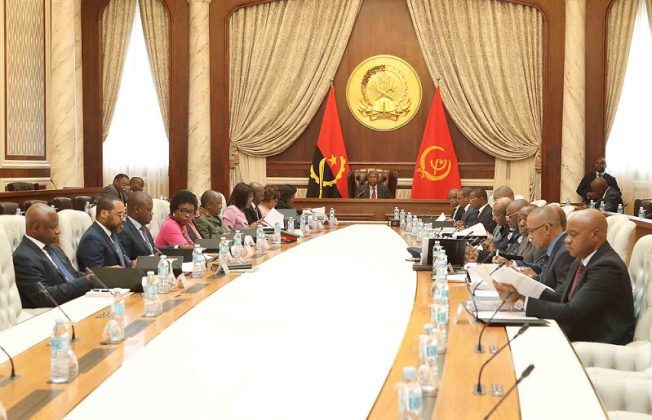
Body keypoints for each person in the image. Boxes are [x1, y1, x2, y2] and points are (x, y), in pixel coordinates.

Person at [494, 209, 635, 345]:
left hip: (598, 342)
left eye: (573, 235)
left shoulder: (607, 267)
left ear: (595, 235)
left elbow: (573, 312)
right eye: (567, 234)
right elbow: (559, 296)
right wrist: (519, 290)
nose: (566, 240)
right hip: (576, 330)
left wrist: (522, 302)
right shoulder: (581, 259)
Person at [13, 204, 92, 308]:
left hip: (75, 301)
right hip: (52, 310)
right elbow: (44, 296)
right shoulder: (23, 257)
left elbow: (73, 275)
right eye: (53, 227)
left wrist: (99, 276)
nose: (58, 231)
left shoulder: (54, 247)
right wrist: (85, 281)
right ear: (36, 228)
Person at [77, 196, 131, 271]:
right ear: (104, 214)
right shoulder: (92, 239)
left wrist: (134, 264)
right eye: (120, 215)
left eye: (124, 215)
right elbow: (95, 273)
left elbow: (123, 261)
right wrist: (115, 271)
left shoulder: (111, 232)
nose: (124, 219)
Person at [116, 191, 157, 260]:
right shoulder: (123, 231)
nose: (152, 213)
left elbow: (152, 251)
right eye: (149, 210)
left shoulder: (144, 228)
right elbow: (126, 262)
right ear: (137, 209)